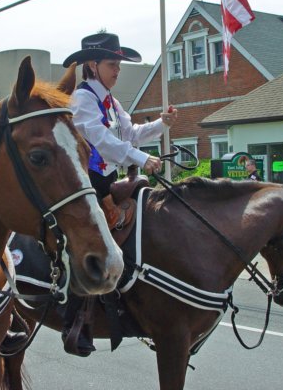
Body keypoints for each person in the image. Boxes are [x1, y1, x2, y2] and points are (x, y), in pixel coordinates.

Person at [60, 32, 178, 356]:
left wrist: (161, 124)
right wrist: (142, 159)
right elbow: (102, 140)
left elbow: (131, 134)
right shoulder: (83, 99)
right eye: (113, 64)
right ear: (93, 65)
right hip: (85, 183)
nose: (118, 70)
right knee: (88, 241)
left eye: (119, 64)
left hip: (109, 179)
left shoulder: (111, 102)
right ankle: (75, 321)